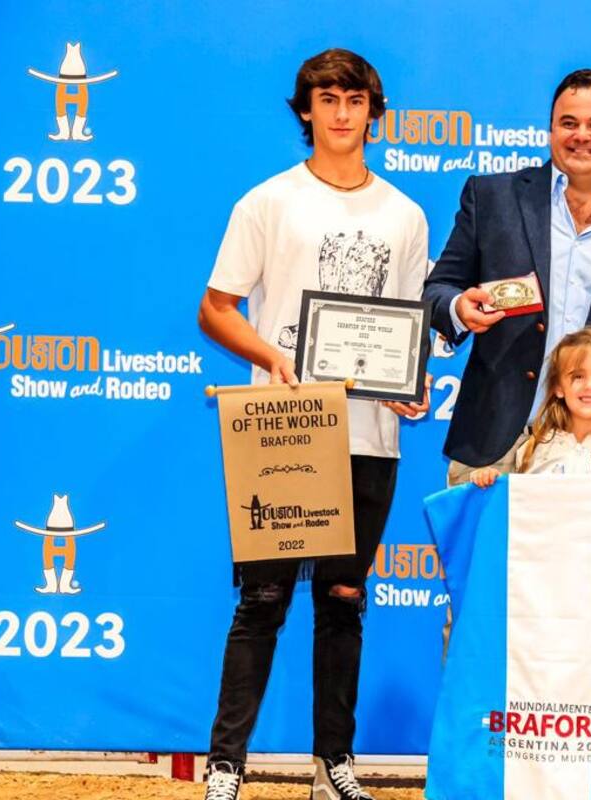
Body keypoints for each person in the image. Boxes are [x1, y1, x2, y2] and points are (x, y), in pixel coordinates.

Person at [196, 49, 430, 800]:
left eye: (353, 99)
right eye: (326, 98)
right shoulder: (267, 201)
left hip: (370, 436)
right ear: (305, 110)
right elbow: (216, 308)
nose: (339, 112)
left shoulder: (405, 214)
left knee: (342, 601)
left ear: (373, 110)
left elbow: (407, 329)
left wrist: (410, 382)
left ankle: (335, 764)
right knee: (261, 602)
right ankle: (226, 765)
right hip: (285, 423)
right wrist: (273, 355)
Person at [423, 68, 591, 487]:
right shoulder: (492, 198)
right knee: (486, 556)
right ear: (550, 130)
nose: (581, 135)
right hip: (493, 452)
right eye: (569, 123)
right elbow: (436, 293)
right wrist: (459, 308)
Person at [469, 326, 591, 488]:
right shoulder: (534, 448)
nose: (589, 386)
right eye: (577, 377)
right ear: (558, 388)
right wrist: (490, 482)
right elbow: (518, 510)